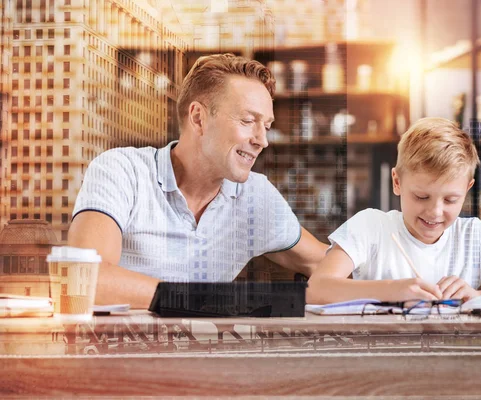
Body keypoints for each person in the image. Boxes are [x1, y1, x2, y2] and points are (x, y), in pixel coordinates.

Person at [68, 53, 328, 308]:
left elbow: (325, 265)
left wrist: (364, 239)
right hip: (117, 349)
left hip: (205, 350)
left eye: (267, 126)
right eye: (248, 121)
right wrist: (206, 300)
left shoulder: (256, 196)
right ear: (198, 118)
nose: (262, 140)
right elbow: (85, 278)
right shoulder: (123, 171)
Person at [306, 117, 481, 305]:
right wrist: (393, 290)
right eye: (421, 196)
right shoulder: (370, 226)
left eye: (450, 200)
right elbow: (316, 289)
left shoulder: (474, 236)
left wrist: (478, 296)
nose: (435, 212)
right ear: (397, 182)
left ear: (467, 189)